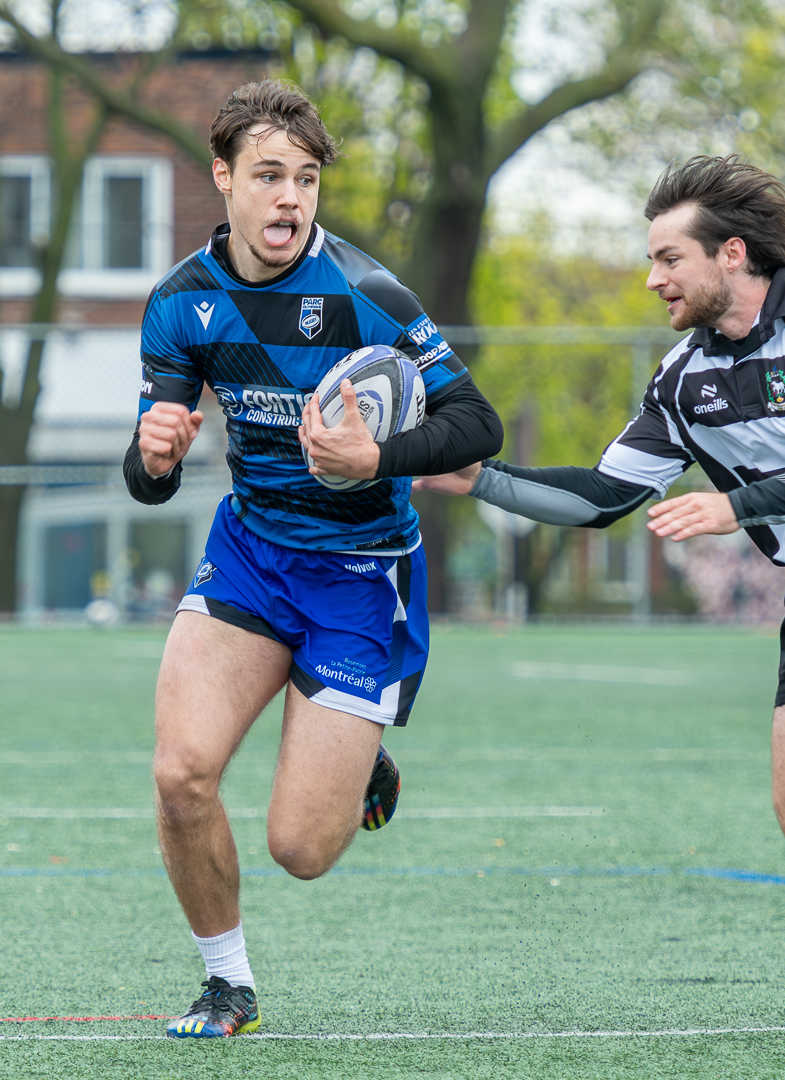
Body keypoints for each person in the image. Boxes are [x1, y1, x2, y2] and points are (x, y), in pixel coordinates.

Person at [416, 155, 785, 1030]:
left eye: (668, 259)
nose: (653, 279)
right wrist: (483, 480)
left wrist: (739, 505)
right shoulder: (683, 378)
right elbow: (605, 495)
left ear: (732, 254)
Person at [124, 80, 503, 1038]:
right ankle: (228, 984)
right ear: (223, 179)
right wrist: (153, 457)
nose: (290, 197)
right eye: (268, 176)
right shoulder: (180, 302)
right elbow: (150, 473)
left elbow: (477, 424)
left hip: (363, 575)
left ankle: (362, 755)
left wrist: (378, 458)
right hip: (251, 555)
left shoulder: (368, 296)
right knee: (180, 774)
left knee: (301, 848)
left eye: (305, 178)